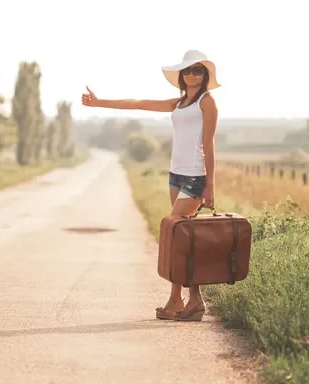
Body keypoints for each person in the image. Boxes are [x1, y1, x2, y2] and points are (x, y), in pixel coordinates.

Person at [81, 49, 220, 322]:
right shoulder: (179, 103)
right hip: (175, 174)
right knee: (182, 239)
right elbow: (138, 103)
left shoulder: (207, 102)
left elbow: (209, 143)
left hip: (195, 177)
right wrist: (99, 103)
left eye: (198, 71)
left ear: (205, 76)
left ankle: (177, 300)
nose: (193, 75)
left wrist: (210, 184)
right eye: (188, 71)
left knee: (175, 232)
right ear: (182, 75)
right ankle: (191, 301)